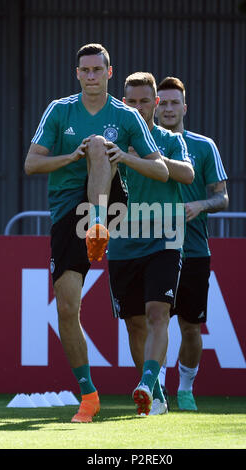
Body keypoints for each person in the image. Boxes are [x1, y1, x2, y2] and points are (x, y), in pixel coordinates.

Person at [24, 44, 168, 423]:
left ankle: (100, 223)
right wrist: (71, 156)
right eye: (84, 70)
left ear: (109, 72)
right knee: (67, 307)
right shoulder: (59, 110)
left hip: (111, 201)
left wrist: (125, 156)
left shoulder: (125, 115)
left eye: (96, 70)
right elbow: (31, 163)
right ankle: (88, 395)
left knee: (101, 146)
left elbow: (161, 170)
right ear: (77, 74)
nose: (90, 76)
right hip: (68, 211)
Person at [106, 72, 194, 415]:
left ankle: (145, 381)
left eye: (146, 101)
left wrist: (136, 159)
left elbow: (187, 174)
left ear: (156, 104)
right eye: (132, 101)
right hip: (124, 243)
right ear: (123, 103)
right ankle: (155, 391)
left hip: (165, 240)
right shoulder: (112, 140)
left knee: (159, 314)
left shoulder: (168, 140)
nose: (139, 107)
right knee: (134, 323)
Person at [156, 76, 229, 411]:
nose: (168, 108)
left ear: (184, 107)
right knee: (150, 323)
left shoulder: (204, 146)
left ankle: (185, 389)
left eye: (174, 103)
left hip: (195, 251)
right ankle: (154, 389)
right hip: (153, 248)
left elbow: (222, 196)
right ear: (155, 107)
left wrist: (200, 205)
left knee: (190, 328)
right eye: (163, 102)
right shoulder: (144, 146)